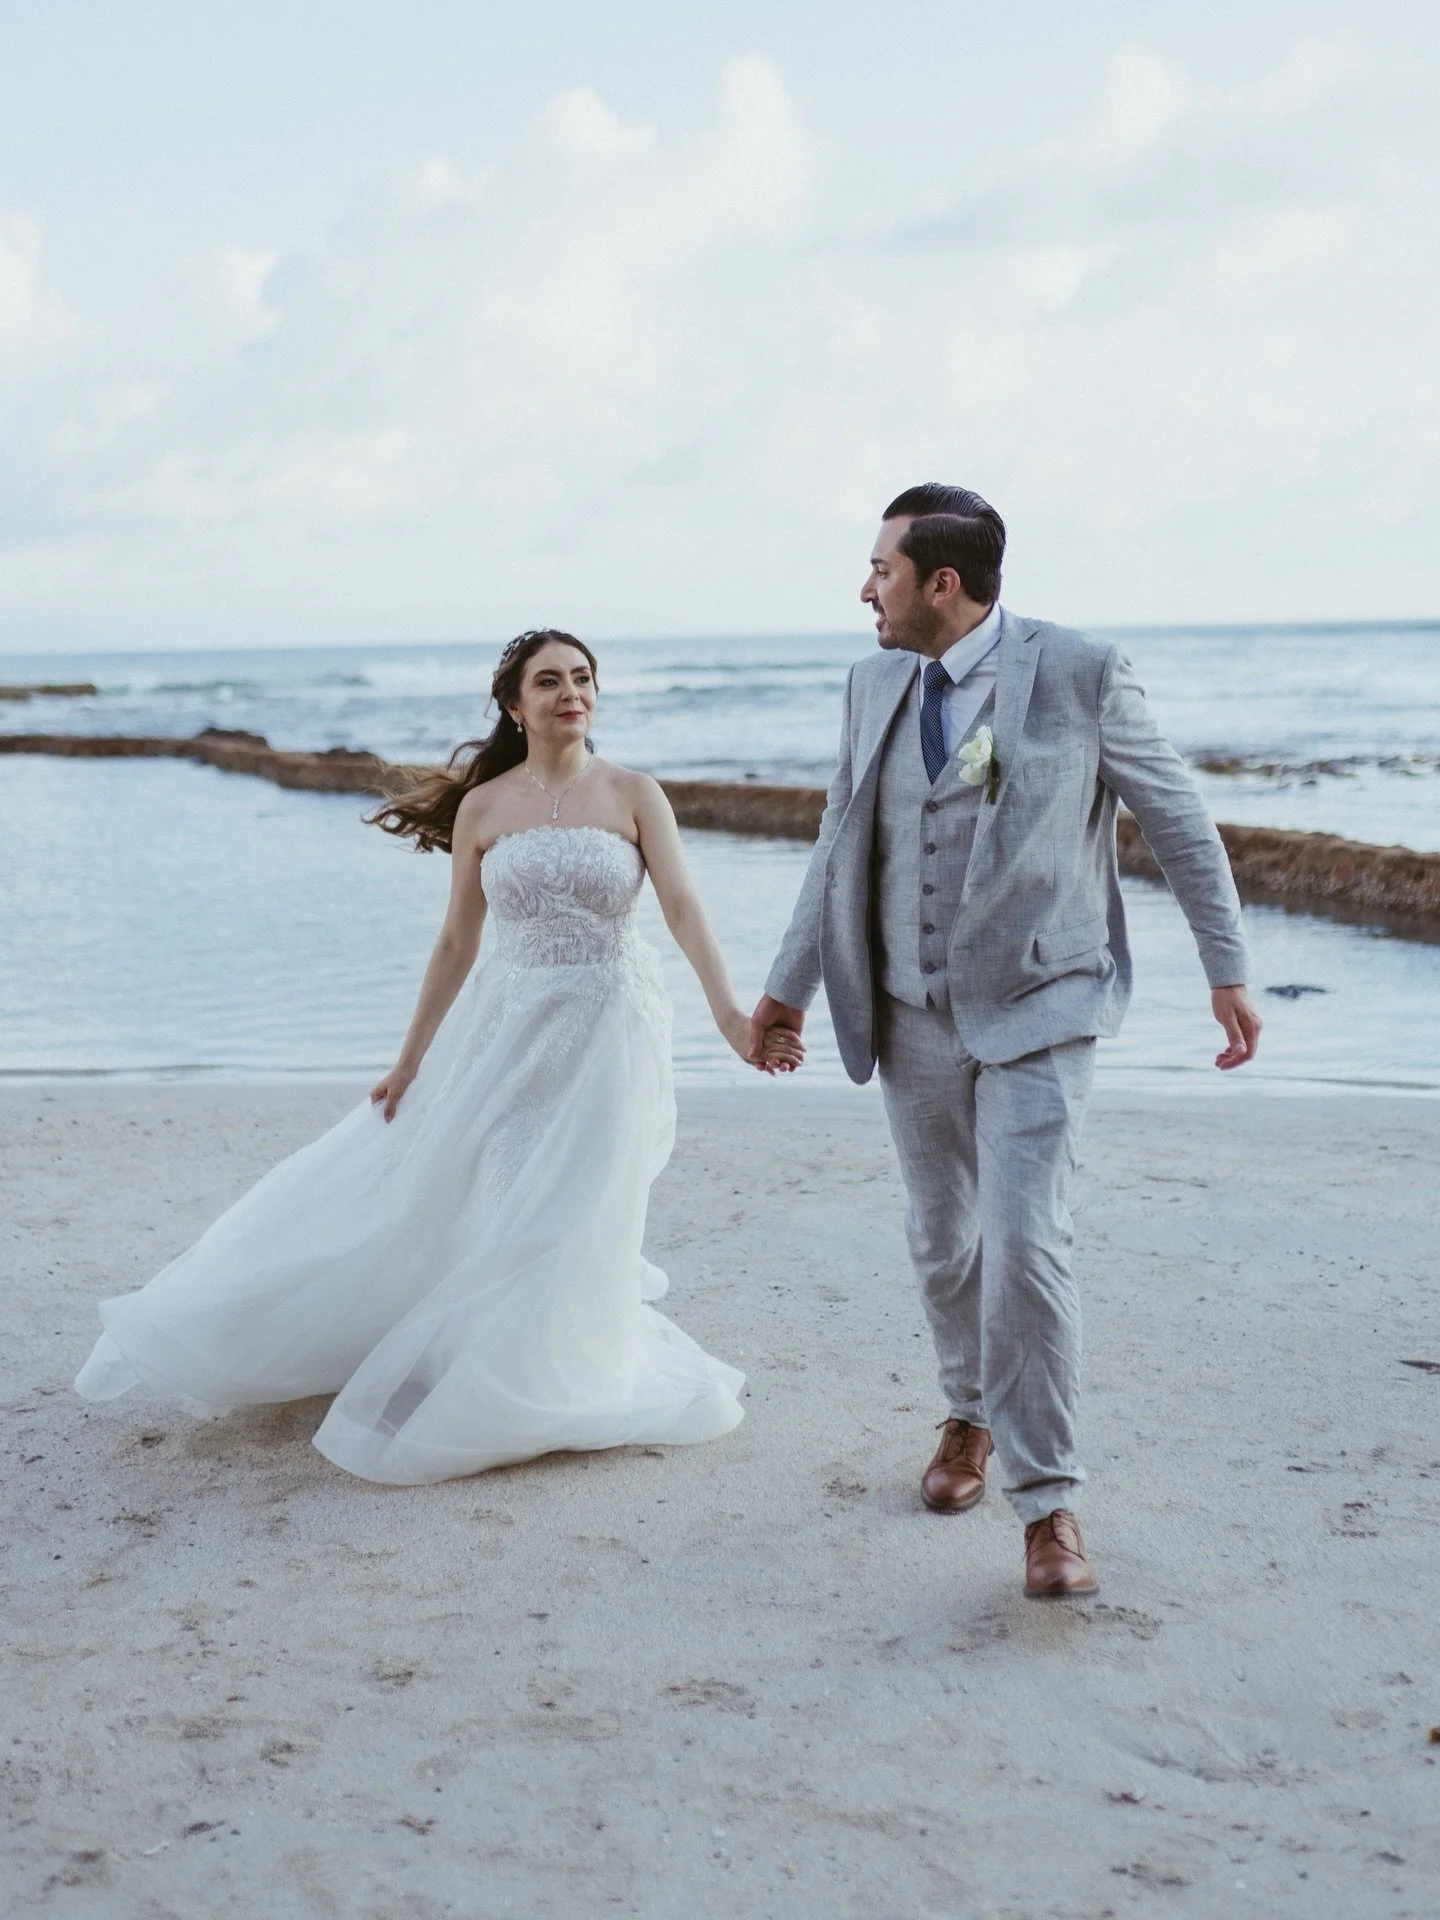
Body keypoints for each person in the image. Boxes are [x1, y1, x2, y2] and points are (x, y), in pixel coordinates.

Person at [76, 628, 801, 1483]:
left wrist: (727, 1015)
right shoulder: (485, 807)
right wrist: (411, 1059)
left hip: (612, 1021)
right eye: (550, 681)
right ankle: (503, 1364)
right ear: (513, 703)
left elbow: (682, 908)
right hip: (508, 1024)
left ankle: (559, 1367)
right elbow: (458, 940)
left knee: (585, 1195)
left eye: (583, 678)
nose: (572, 693)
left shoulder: (635, 793)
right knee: (504, 1187)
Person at [749, 486, 1260, 1598]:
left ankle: (1050, 1507)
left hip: (1043, 1006)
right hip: (910, 1012)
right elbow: (840, 836)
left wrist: (1228, 968)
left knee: (1027, 1244)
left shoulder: (1079, 670)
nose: (864, 588)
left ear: (943, 581)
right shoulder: (872, 680)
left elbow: (1176, 817)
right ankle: (966, 1414)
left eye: (880, 567)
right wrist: (786, 987)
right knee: (946, 1243)